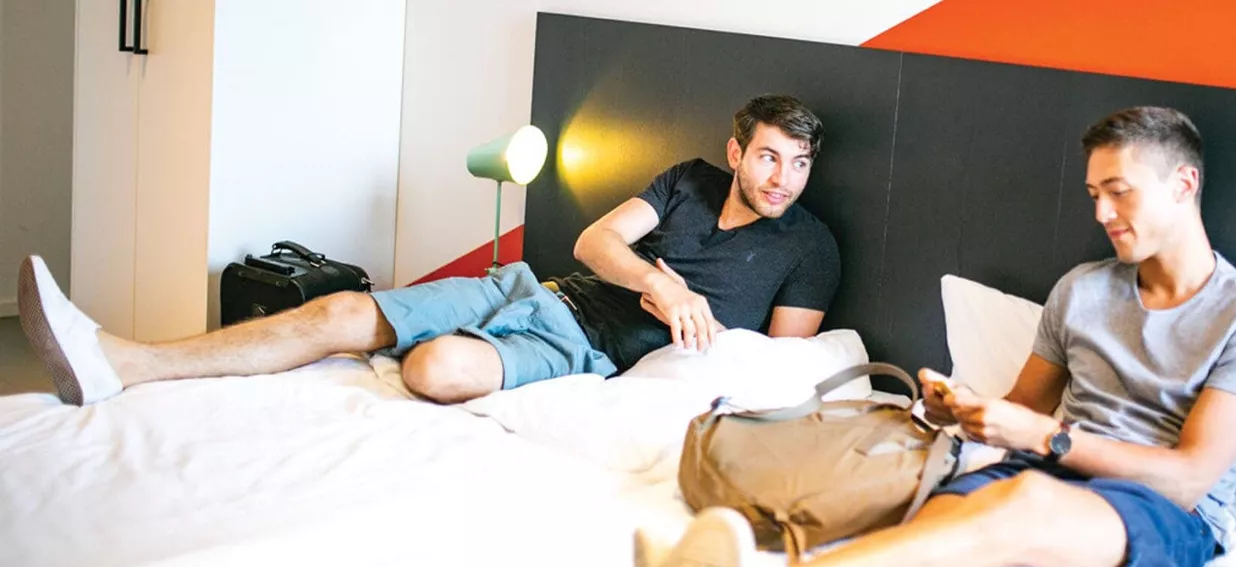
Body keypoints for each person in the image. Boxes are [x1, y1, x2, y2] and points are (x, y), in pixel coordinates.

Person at [635, 106, 1236, 567]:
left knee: (1027, 499)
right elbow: (1021, 411)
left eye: (1118, 191)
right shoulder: (1084, 290)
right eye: (1094, 192)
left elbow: (1186, 479)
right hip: (1037, 470)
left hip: (1161, 517)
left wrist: (1045, 439)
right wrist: (964, 411)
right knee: (916, 557)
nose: (1100, 211)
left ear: (1183, 184)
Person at [17, 94, 841, 406]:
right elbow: (595, 241)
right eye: (770, 156)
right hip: (541, 286)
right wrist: (663, 285)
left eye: (799, 163)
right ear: (737, 153)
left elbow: (773, 368)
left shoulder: (809, 247)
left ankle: (122, 364)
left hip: (587, 345)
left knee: (433, 370)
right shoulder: (691, 180)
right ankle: (123, 361)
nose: (783, 179)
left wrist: (680, 324)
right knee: (339, 308)